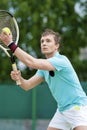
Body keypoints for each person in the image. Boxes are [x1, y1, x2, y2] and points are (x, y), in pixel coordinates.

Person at [0, 28, 87, 130]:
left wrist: (10, 43)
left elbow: (32, 62)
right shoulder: (43, 69)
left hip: (77, 107)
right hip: (62, 111)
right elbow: (27, 86)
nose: (44, 43)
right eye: (42, 41)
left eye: (48, 41)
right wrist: (19, 78)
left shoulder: (61, 61)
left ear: (57, 46)